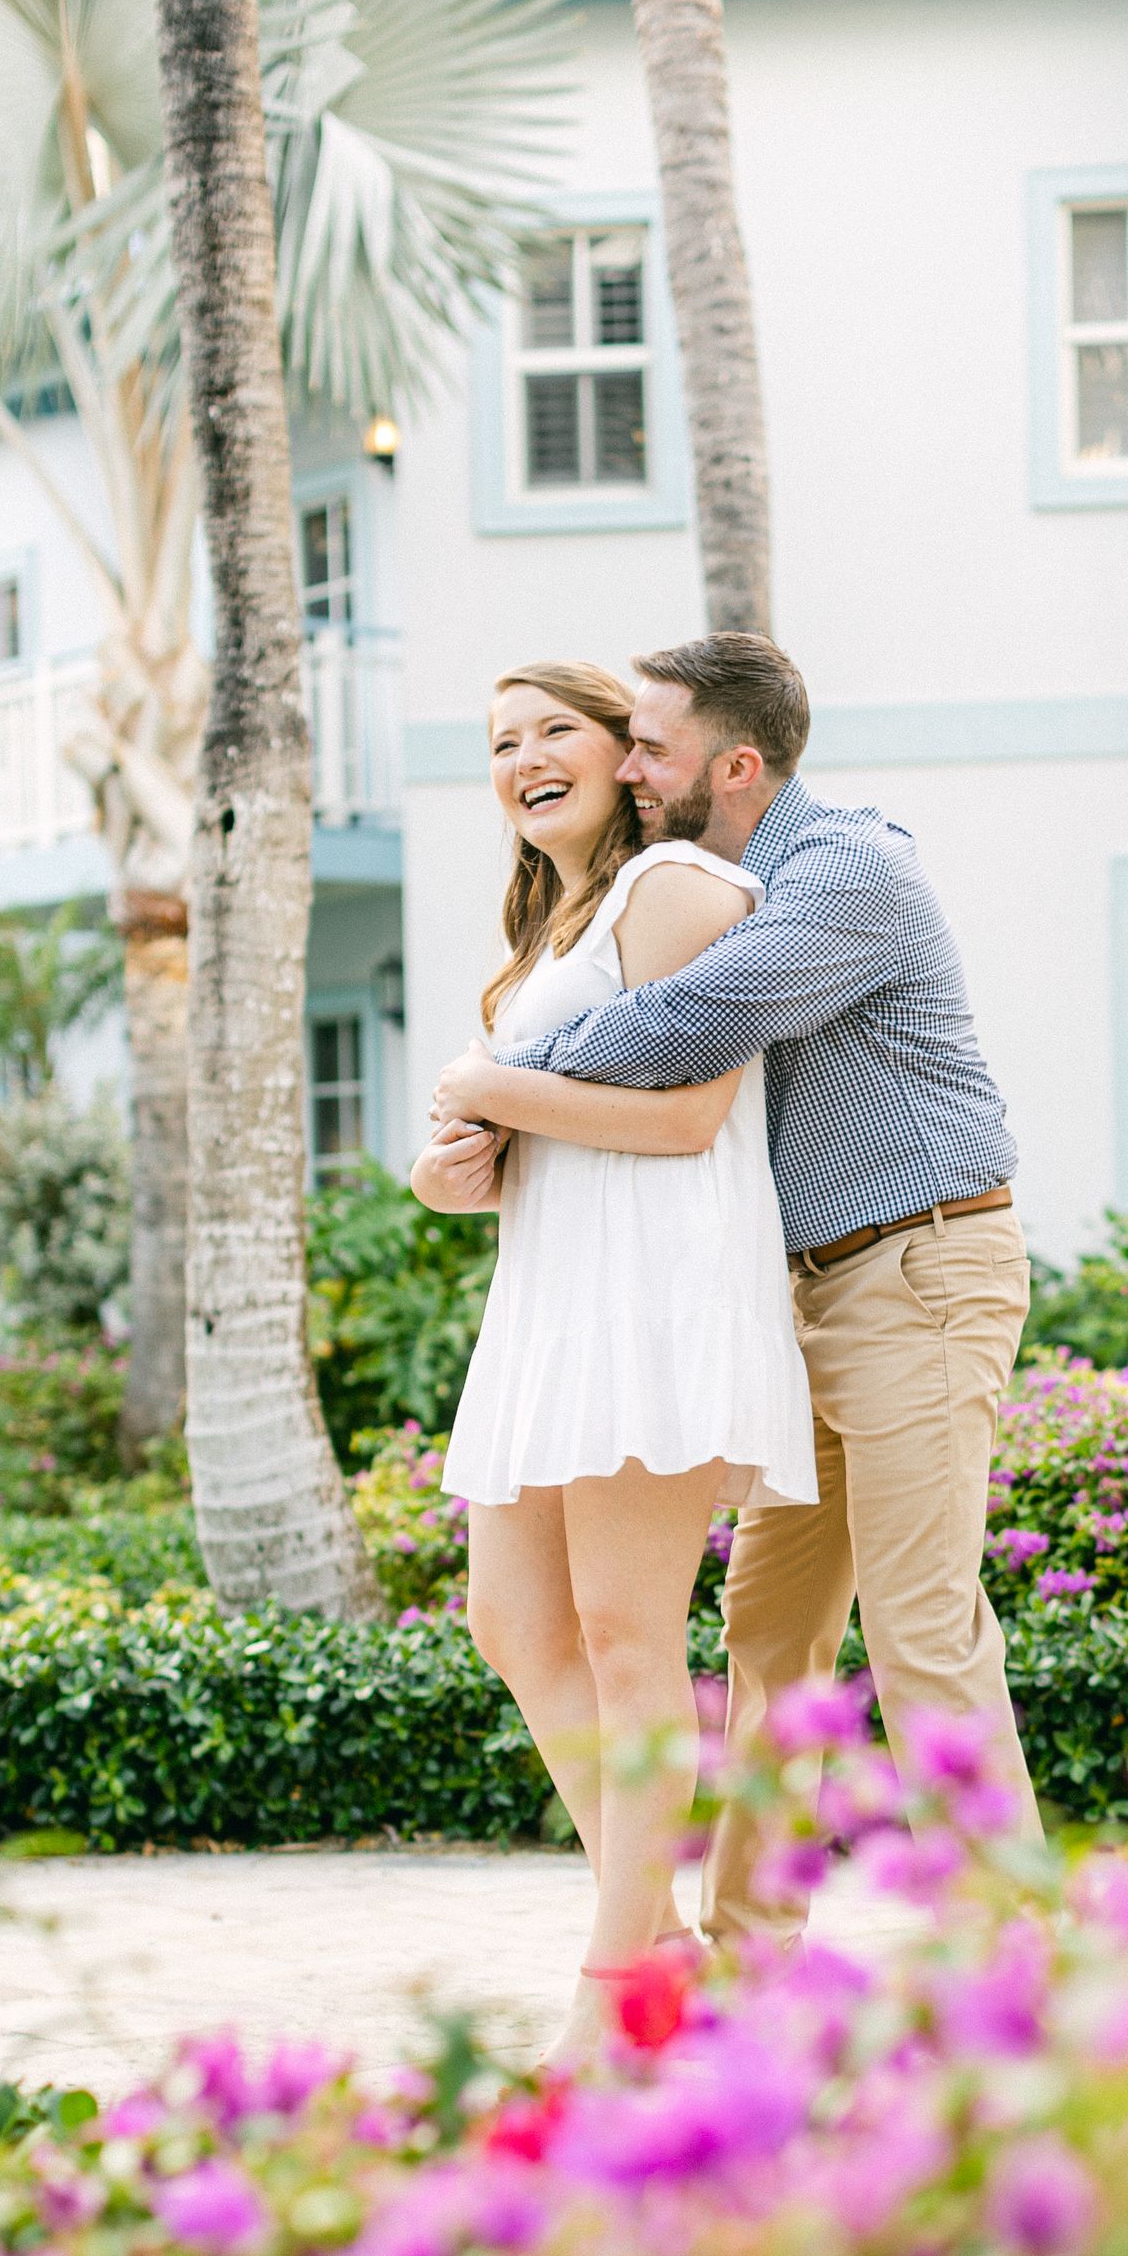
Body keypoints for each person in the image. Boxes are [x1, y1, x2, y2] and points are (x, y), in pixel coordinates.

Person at [432, 631, 1040, 1950]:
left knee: (924, 1632)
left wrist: (495, 1077)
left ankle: (1027, 1969)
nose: (629, 766)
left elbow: (681, 1035)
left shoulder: (842, 873)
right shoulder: (696, 881)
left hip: (917, 1268)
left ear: (738, 762)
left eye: (648, 745)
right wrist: (501, 1099)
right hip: (797, 1294)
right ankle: (749, 1958)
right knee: (770, 1639)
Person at [410, 659, 814, 2060]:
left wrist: (488, 1089)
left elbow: (691, 1116)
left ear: (624, 754)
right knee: (514, 1626)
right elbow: (524, 1132)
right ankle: (658, 1960)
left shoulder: (674, 891)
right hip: (554, 1306)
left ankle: (611, 2008)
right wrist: (456, 1158)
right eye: (500, 740)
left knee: (633, 1639)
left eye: (553, 732)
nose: (523, 758)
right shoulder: (543, 943)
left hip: (659, 1299)